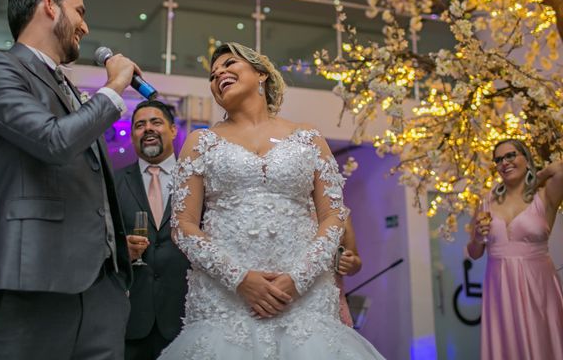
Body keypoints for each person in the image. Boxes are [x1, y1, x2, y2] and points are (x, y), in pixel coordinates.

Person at [158, 42, 383, 359]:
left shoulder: (309, 138)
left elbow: (334, 217)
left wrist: (298, 279)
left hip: (304, 299)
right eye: (212, 74)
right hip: (227, 301)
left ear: (261, 73)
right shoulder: (200, 142)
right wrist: (240, 279)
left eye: (229, 64)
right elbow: (182, 226)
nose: (219, 73)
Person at [0, 0, 139, 360]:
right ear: (48, 5)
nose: (85, 26)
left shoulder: (68, 88)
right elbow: (53, 141)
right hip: (32, 281)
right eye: (79, 11)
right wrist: (113, 89)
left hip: (102, 292)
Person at [467, 139, 563, 360]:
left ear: (526, 159)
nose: (504, 162)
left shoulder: (545, 196)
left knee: (543, 343)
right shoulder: (485, 202)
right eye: (499, 160)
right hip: (500, 287)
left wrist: (534, 178)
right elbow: (474, 252)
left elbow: (559, 168)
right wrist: (478, 237)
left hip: (538, 286)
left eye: (511, 156)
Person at [115, 100, 191, 360]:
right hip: (130, 321)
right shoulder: (113, 183)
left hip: (186, 316)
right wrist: (119, 249)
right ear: (133, 134)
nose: (148, 129)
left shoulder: (197, 180)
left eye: (155, 122)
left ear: (172, 130)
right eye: (139, 125)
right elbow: (96, 242)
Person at [335, 216, 363, 327]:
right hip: (287, 296)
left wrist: (351, 262)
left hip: (332, 302)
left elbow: (356, 261)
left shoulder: (340, 212)